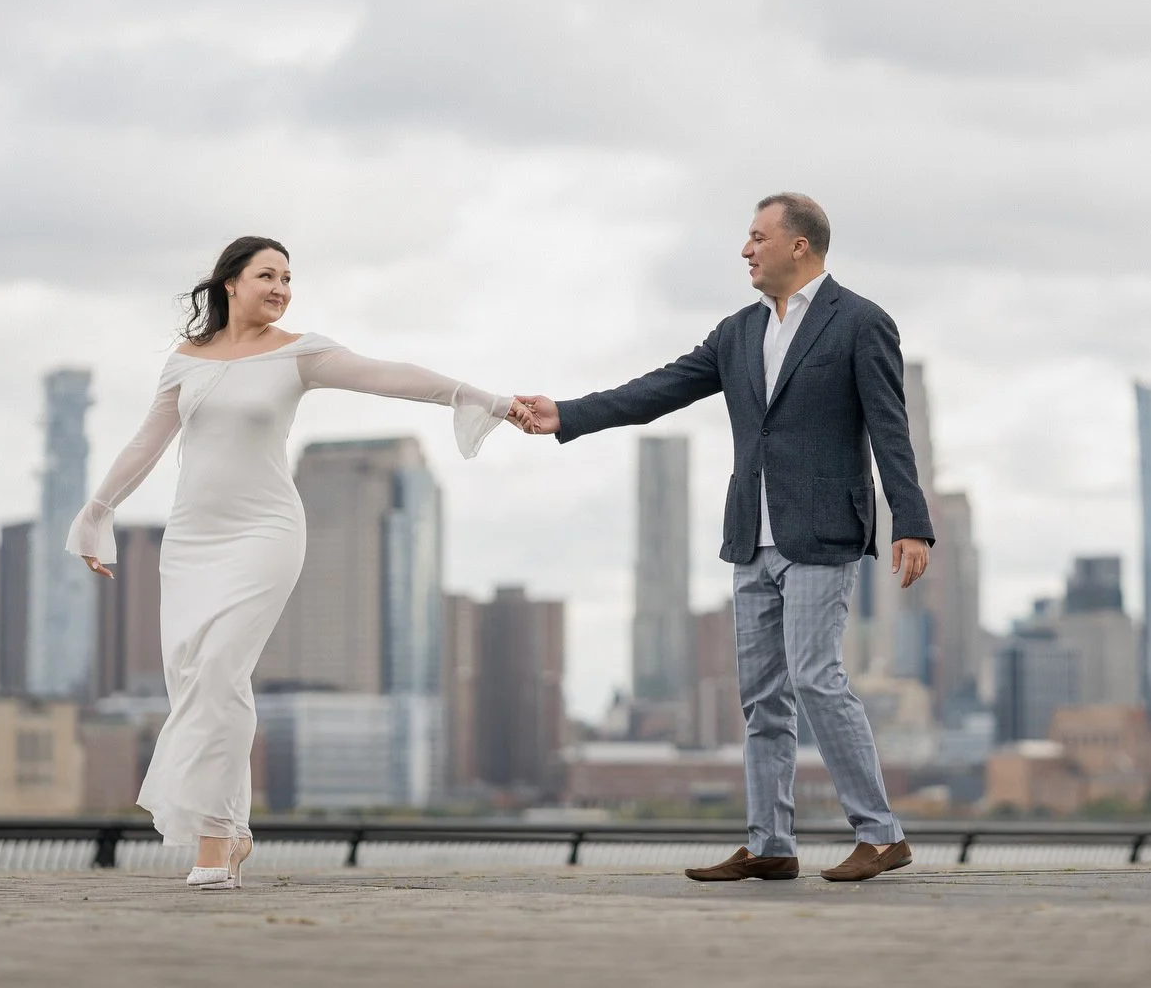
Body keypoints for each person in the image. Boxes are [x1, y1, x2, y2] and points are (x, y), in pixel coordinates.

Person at [66, 236, 529, 890]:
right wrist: (97, 511)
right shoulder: (186, 359)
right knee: (196, 678)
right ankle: (234, 830)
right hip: (193, 537)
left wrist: (485, 398)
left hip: (266, 531)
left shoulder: (299, 352)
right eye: (267, 275)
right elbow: (148, 441)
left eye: (287, 278)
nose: (281, 288)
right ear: (230, 283)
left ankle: (213, 840)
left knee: (221, 668)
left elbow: (389, 374)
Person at [515, 194, 934, 883]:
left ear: (798, 245)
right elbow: (659, 389)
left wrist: (910, 523)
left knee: (816, 678)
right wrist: (567, 413)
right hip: (751, 535)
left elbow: (891, 427)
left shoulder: (861, 322)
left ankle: (881, 834)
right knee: (762, 699)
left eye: (757, 237)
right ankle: (771, 844)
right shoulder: (738, 332)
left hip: (822, 532)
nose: (745, 250)